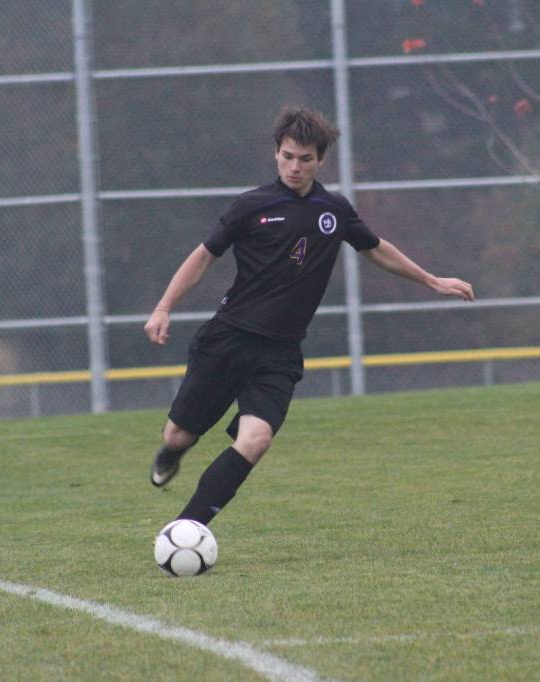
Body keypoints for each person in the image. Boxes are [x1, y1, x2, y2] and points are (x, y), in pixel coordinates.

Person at [143, 105, 475, 526]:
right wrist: (164, 307)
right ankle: (172, 452)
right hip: (228, 339)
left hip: (279, 354)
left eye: (305, 159)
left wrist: (431, 280)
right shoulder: (251, 205)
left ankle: (187, 527)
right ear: (276, 154)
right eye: (287, 156)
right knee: (179, 434)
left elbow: (374, 247)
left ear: (321, 160)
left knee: (256, 439)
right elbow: (204, 257)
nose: (294, 167)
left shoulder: (333, 210)